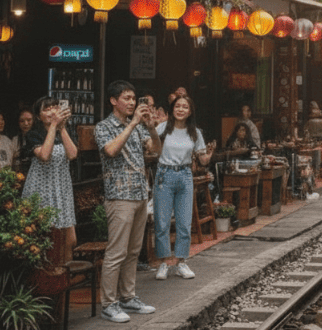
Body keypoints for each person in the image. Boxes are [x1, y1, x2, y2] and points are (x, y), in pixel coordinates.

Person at [94, 81, 161, 323]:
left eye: (134, 98)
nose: (132, 102)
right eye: (127, 98)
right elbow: (110, 151)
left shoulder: (139, 127)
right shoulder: (103, 127)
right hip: (119, 195)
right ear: (114, 101)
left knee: (133, 251)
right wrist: (132, 124)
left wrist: (151, 128)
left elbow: (156, 150)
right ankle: (108, 304)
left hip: (140, 193)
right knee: (116, 252)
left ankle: (128, 297)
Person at [153, 96, 212, 281]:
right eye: (177, 106)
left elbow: (203, 160)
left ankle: (181, 262)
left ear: (190, 111)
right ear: (172, 109)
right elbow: (151, 148)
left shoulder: (195, 132)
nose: (180, 109)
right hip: (164, 174)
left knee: (184, 222)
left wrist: (209, 155)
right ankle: (163, 262)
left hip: (185, 175)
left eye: (184, 107)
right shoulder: (162, 128)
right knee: (162, 222)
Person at [22, 97, 78, 264]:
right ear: (38, 117)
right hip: (42, 188)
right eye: (47, 109)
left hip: (62, 188)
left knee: (70, 240)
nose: (52, 111)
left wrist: (62, 127)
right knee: (45, 236)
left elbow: (72, 154)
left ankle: (65, 273)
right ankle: (46, 273)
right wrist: (53, 126)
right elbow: (44, 155)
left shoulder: (65, 131)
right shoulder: (33, 134)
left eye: (55, 107)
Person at [13, 107, 35, 172]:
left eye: (29, 120)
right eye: (22, 121)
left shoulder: (39, 138)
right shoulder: (15, 140)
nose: (26, 124)